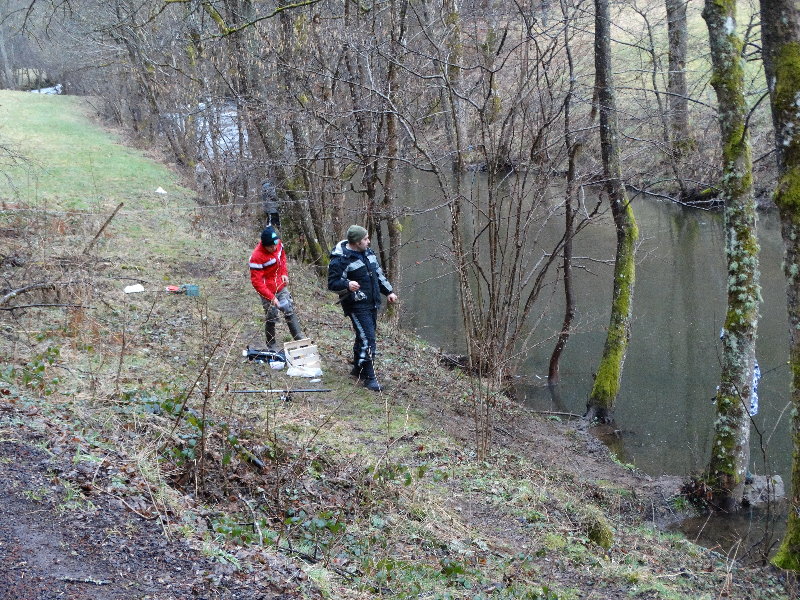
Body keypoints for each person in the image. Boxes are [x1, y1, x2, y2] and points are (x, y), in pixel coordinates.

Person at [327, 225, 398, 392]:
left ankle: (357, 369)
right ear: (357, 242)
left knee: (363, 337)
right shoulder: (341, 259)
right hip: (356, 305)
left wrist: (389, 291)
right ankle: (369, 377)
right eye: (365, 239)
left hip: (372, 302)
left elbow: (379, 275)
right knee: (368, 339)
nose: (368, 241)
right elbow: (332, 283)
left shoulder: (369, 253)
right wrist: (347, 284)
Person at [249, 226, 304, 352]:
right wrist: (271, 297)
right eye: (271, 247)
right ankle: (271, 344)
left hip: (280, 285)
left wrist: (284, 273)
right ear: (264, 245)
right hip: (266, 289)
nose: (274, 248)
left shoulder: (278, 244)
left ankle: (299, 339)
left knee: (289, 309)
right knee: (271, 316)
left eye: (275, 245)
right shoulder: (256, 257)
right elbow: (257, 282)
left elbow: (283, 258)